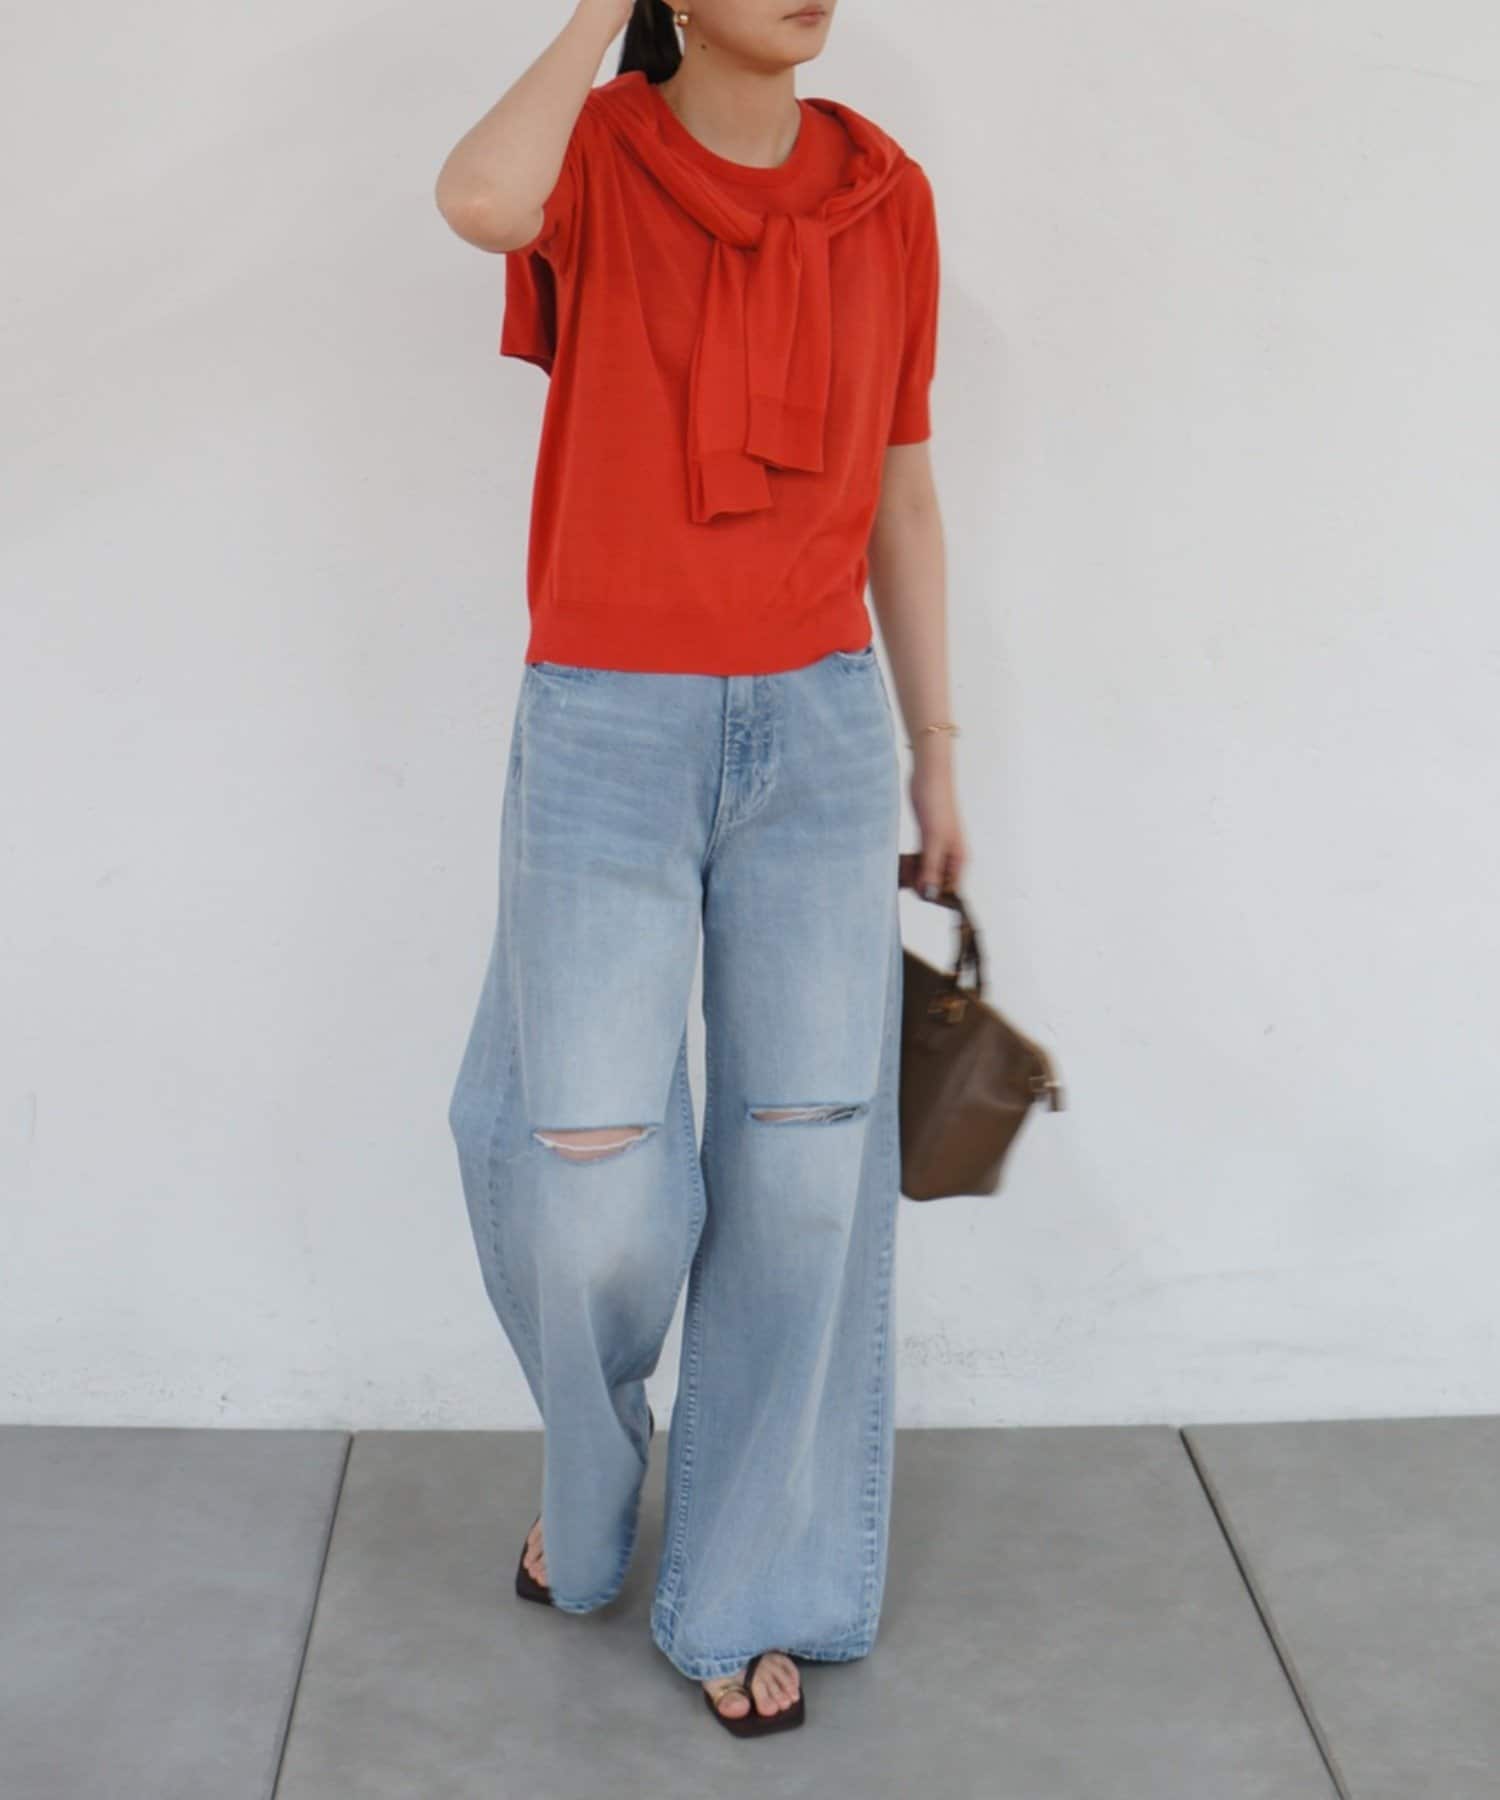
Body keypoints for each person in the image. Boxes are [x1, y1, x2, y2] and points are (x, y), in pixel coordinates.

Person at [435, 0, 967, 1738]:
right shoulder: (598, 158)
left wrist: (937, 748)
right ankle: (592, 1490)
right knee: (590, 1184)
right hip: (607, 727)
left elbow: (901, 488)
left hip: (822, 735)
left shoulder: (886, 194)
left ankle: (747, 1586)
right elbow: (475, 199)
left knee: (807, 1184)